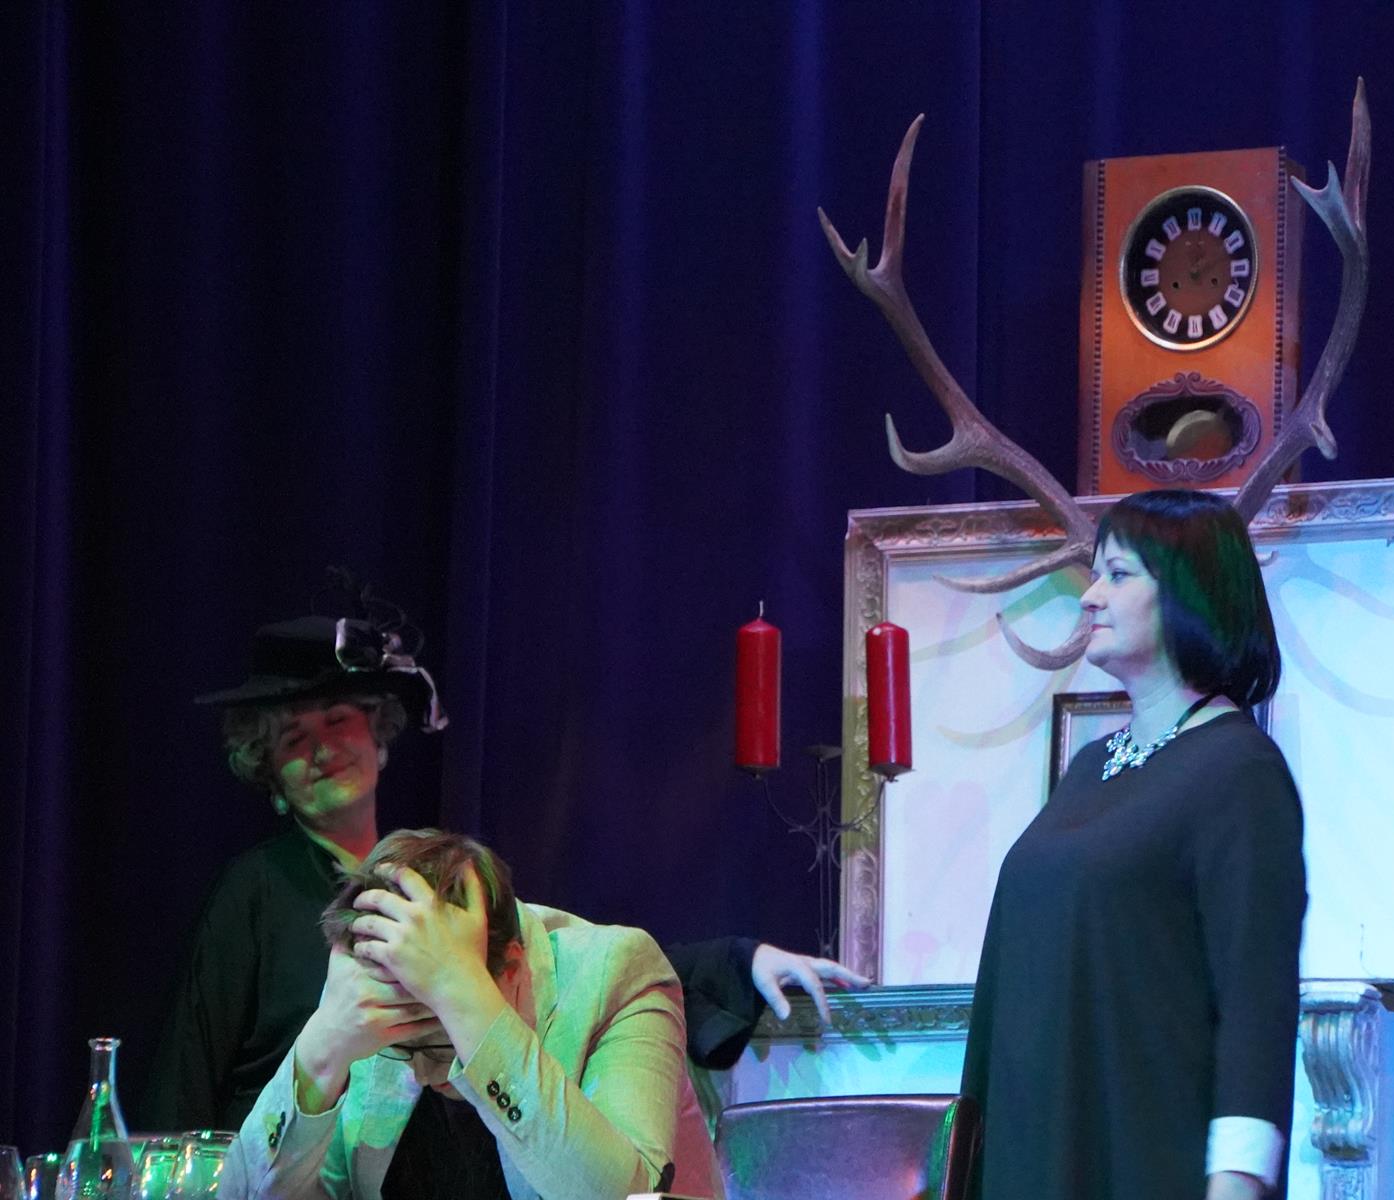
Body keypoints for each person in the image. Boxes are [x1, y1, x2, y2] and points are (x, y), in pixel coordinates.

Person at [145, 606, 865, 1131]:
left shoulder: (435, 877)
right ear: (270, 774)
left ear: (379, 735)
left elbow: (564, 973)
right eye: (294, 740)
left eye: (337, 721)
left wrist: (739, 961)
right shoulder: (254, 890)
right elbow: (185, 1079)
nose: (323, 749)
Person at [960, 489, 1306, 1200]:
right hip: (1034, 1156)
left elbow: (1255, 1001)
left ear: (1187, 593)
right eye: (1096, 575)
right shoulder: (1092, 766)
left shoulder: (1238, 770)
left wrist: (1236, 1184)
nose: (1090, 597)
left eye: (1118, 575)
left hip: (1141, 1159)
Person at [220, 827, 710, 1199]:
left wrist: (466, 1002)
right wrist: (321, 1048)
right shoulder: (377, 994)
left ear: (511, 967)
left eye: (437, 1041)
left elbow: (624, 1196)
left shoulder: (617, 973)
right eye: (401, 1048)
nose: (421, 1074)